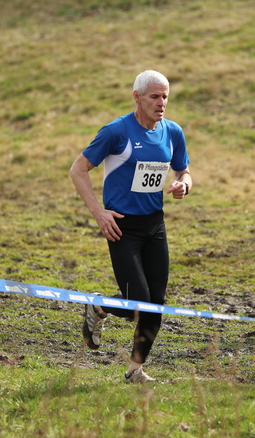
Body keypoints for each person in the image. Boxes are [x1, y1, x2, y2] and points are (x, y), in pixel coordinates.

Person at [70, 70, 192, 382]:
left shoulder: (173, 132)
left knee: (156, 307)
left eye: (165, 96)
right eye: (154, 96)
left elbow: (184, 171)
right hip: (122, 228)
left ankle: (135, 370)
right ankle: (99, 306)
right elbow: (78, 170)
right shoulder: (116, 131)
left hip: (155, 226)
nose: (161, 102)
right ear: (137, 97)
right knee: (139, 303)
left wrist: (184, 185)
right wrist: (99, 213)